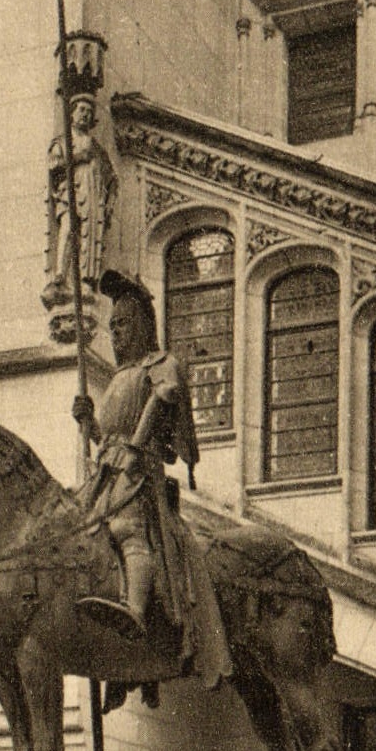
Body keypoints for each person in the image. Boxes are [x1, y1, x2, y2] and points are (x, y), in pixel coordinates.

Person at [73, 271, 232, 690]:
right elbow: (105, 437)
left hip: (140, 474)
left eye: (123, 325)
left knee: (128, 531)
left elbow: (167, 395)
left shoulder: (162, 363)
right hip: (106, 473)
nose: (116, 335)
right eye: (112, 328)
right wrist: (88, 421)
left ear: (142, 324)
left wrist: (136, 447)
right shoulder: (118, 378)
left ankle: (136, 612)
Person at [43, 95, 117, 304]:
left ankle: (87, 281)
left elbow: (112, 178)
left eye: (89, 112)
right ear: (72, 113)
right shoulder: (63, 141)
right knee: (67, 229)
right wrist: (76, 158)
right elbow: (53, 164)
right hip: (71, 193)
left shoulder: (96, 147)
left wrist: (109, 204)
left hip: (92, 196)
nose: (85, 114)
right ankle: (60, 276)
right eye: (81, 110)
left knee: (89, 235)